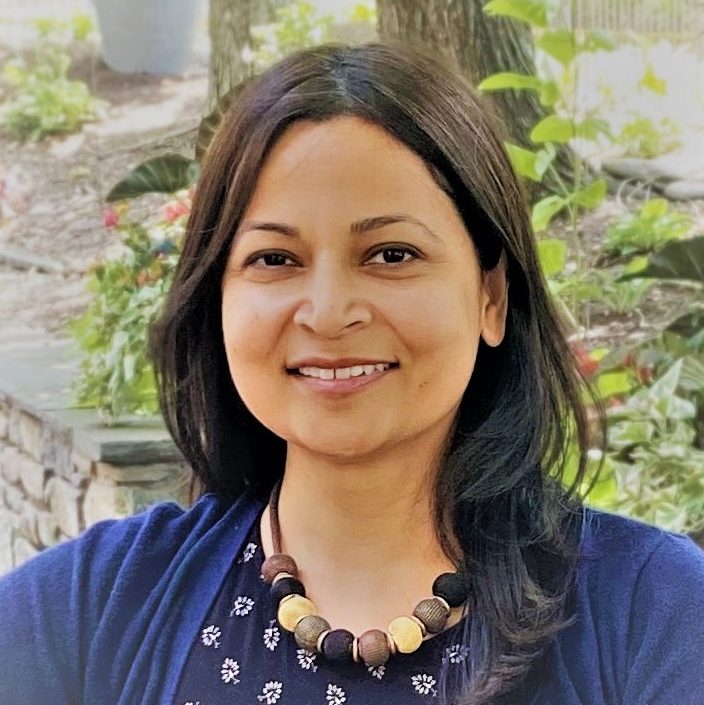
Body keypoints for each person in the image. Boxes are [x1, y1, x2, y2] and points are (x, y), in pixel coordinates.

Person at [1, 41, 703, 705]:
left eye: (392, 254)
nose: (329, 313)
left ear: (491, 297)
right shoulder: (93, 607)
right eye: (275, 259)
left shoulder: (652, 613)